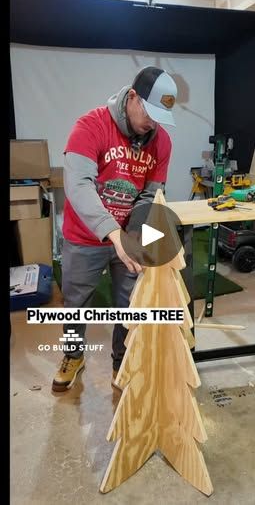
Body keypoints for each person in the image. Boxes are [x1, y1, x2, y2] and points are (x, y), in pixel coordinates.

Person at [52, 66, 178, 392]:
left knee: (129, 303)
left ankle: (121, 361)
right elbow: (78, 185)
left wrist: (135, 232)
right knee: (76, 301)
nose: (152, 122)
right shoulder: (90, 126)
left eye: (160, 116)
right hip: (85, 238)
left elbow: (150, 193)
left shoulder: (161, 142)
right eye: (149, 112)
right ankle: (73, 355)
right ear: (132, 96)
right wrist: (112, 233)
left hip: (127, 236)